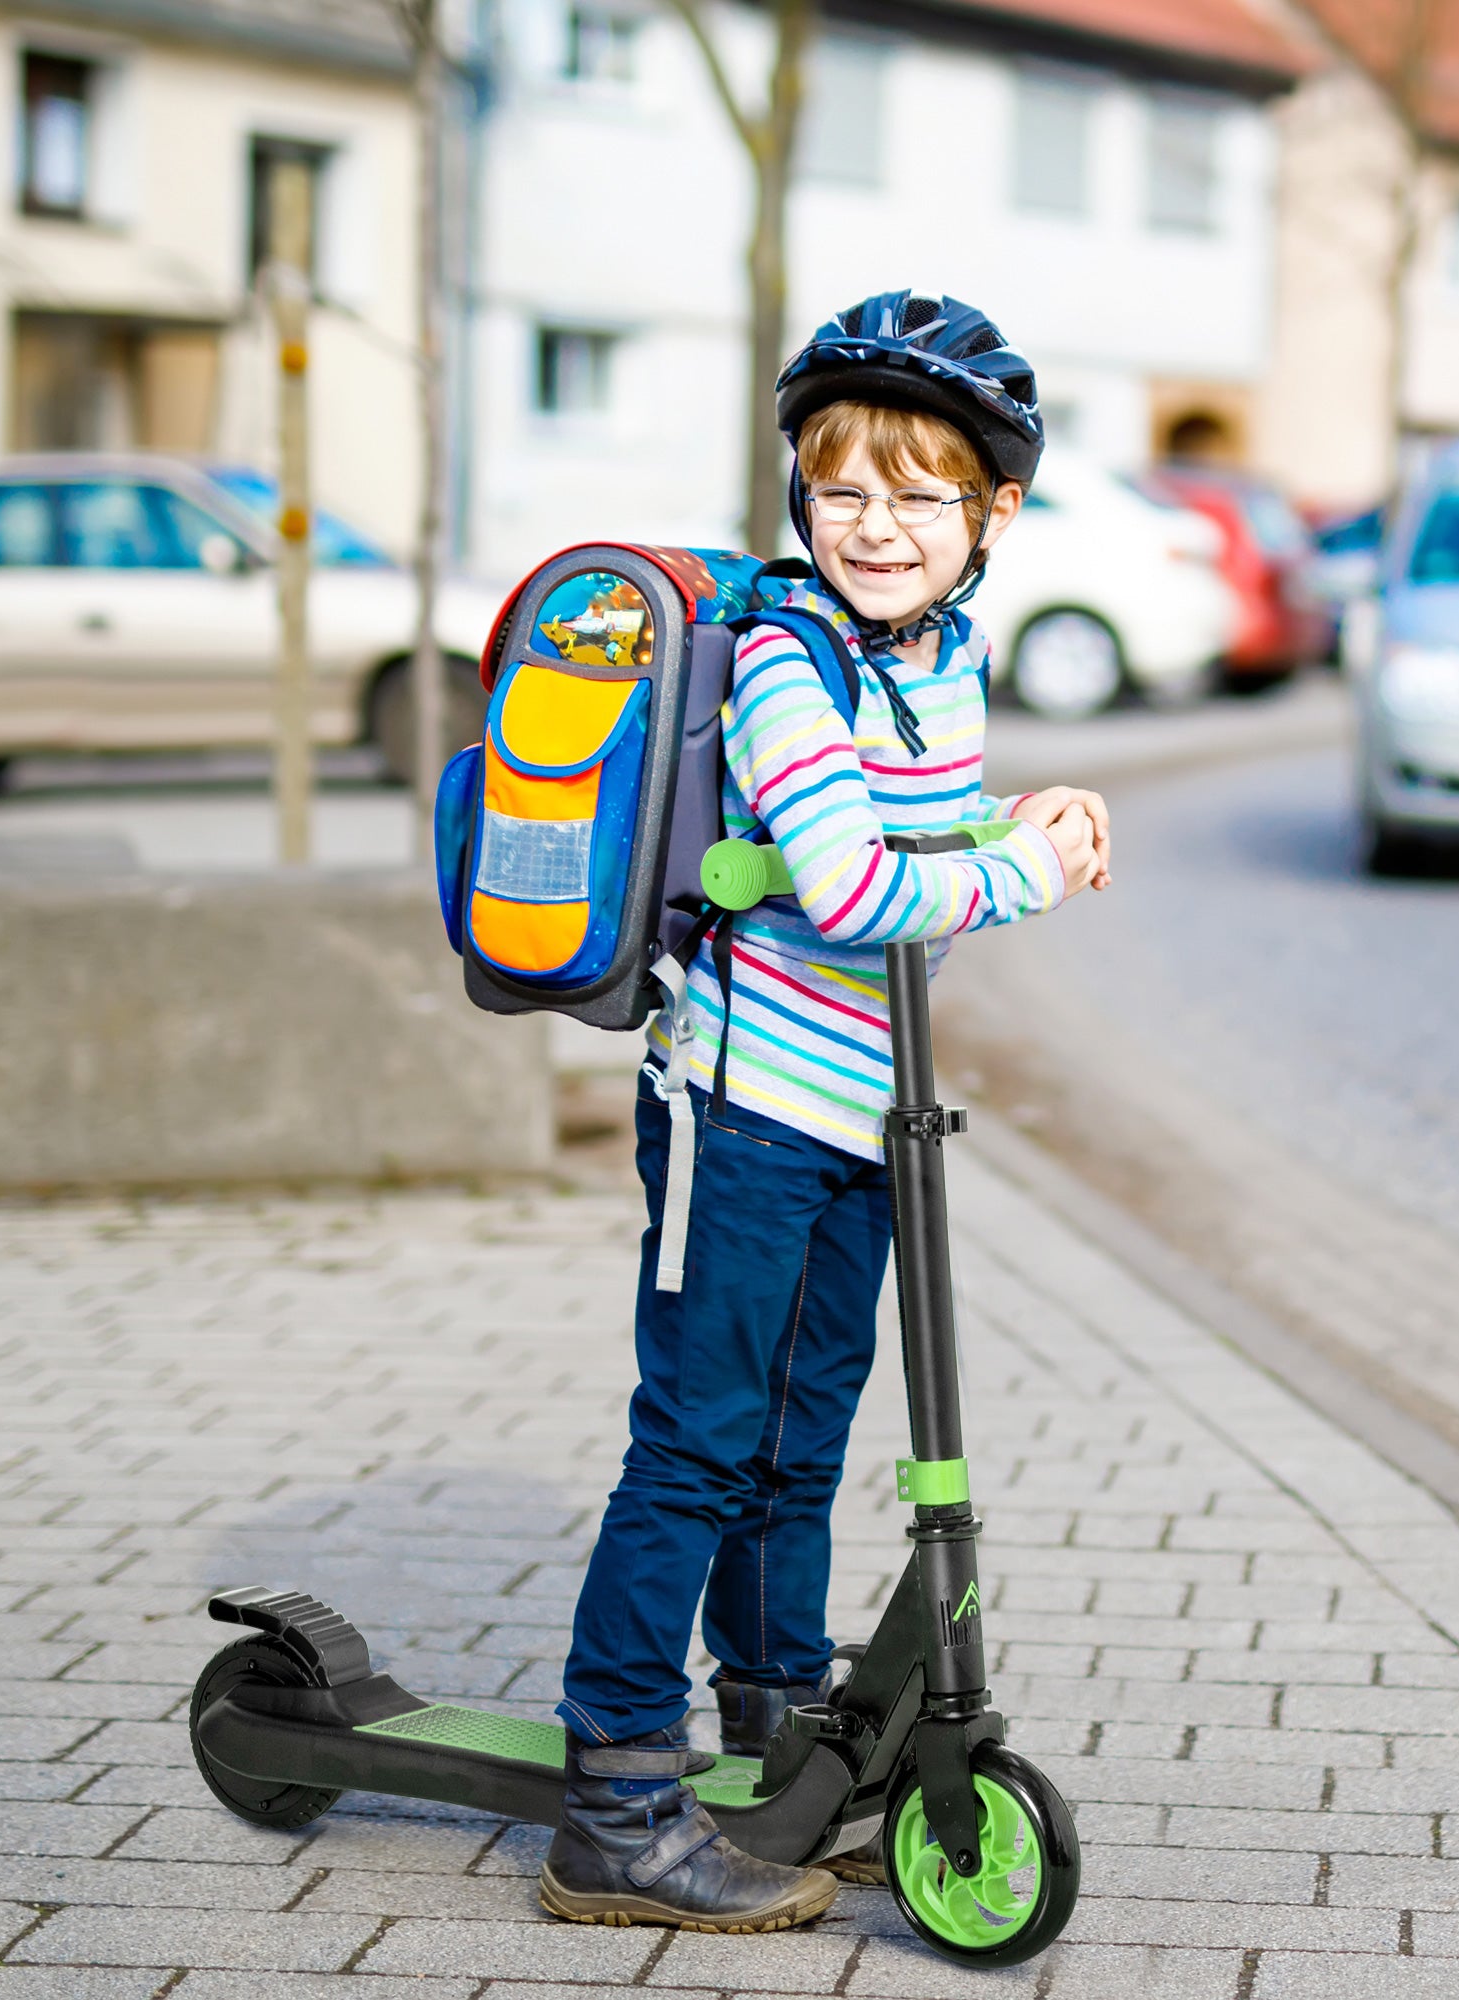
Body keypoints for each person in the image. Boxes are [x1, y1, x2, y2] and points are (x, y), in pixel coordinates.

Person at [539, 292, 1112, 1933]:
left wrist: (1016, 812)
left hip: (863, 1114)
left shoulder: (945, 651)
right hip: (743, 1105)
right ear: (800, 488)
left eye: (921, 495)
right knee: (701, 1445)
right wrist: (1034, 872)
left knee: (801, 1445)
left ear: (994, 514)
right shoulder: (790, 654)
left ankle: (774, 1735)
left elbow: (912, 824)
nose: (877, 525)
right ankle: (618, 1802)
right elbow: (857, 885)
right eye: (843, 485)